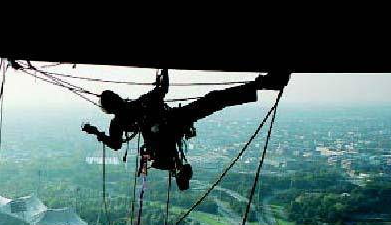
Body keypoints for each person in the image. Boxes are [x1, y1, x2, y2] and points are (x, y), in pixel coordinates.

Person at [82, 69, 290, 190]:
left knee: (213, 101)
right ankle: (263, 83)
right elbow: (162, 89)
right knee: (214, 99)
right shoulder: (138, 105)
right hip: (174, 121)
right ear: (117, 99)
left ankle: (177, 170)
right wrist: (163, 70)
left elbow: (116, 144)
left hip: (163, 135)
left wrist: (97, 133)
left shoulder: (119, 122)